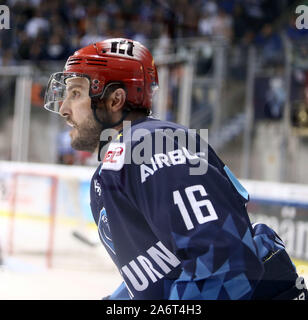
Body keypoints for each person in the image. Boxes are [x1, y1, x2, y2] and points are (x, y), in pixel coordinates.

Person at [44, 38, 307, 300]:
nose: (64, 109)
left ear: (115, 100)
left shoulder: (149, 148)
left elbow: (225, 265)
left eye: (76, 93)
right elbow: (161, 275)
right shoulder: (124, 160)